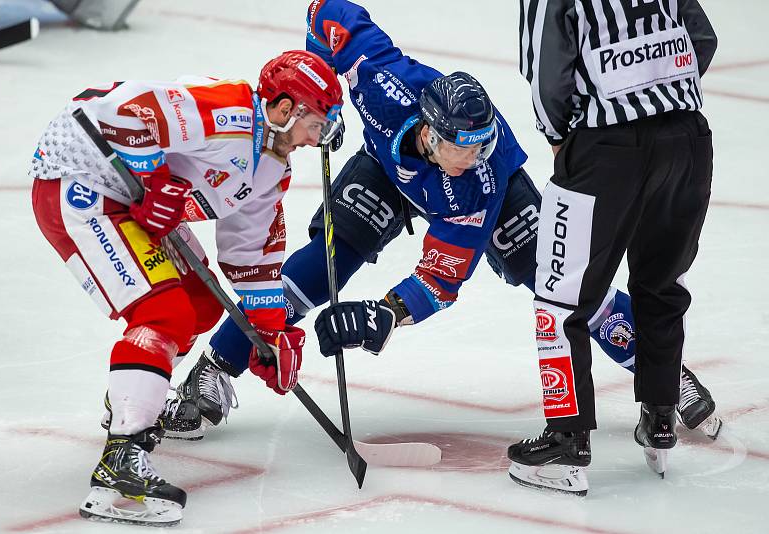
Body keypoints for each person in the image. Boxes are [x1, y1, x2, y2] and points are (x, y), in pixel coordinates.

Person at [163, 0, 719, 447]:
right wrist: (319, 89)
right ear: (430, 130)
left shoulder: (481, 179)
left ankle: (660, 369)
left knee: (560, 285)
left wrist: (383, 315)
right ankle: (216, 369)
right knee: (324, 262)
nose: (476, 153)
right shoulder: (383, 79)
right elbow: (326, 12)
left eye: (484, 143)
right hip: (386, 169)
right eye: (465, 144)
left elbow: (440, 281)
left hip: (496, 201)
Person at [30, 50, 343, 526]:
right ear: (284, 109)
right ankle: (120, 458)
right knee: (165, 314)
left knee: (198, 306)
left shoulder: (271, 170)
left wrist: (269, 333)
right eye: (315, 125)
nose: (314, 139)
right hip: (81, 182)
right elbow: (125, 109)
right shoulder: (231, 112)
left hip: (132, 205)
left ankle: (134, 397)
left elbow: (251, 256)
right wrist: (154, 181)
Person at [507, 0, 718, 495]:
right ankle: (661, 417)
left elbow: (544, 67)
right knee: (662, 283)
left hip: (606, 148)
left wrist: (560, 135)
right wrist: (663, 96)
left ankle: (565, 442)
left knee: (560, 298)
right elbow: (702, 37)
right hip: (688, 141)